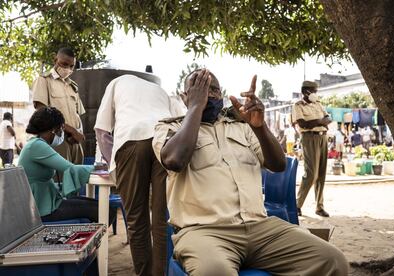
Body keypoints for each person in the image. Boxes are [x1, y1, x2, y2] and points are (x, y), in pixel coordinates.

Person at [152, 69, 348, 275]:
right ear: (185, 97)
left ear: (221, 94)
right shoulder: (170, 128)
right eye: (198, 89)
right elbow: (174, 160)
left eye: (213, 90)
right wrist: (195, 108)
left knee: (332, 261)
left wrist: (259, 126)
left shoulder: (242, 127)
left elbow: (278, 164)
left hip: (261, 228)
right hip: (204, 232)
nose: (208, 94)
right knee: (214, 272)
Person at [94, 74, 173, 276]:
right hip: (164, 140)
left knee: (137, 220)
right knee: (161, 218)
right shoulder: (160, 91)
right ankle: (160, 273)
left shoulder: (116, 83)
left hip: (131, 139)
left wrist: (114, 163)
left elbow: (102, 130)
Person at [18, 107, 115, 224]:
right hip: (42, 210)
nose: (62, 134)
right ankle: (98, 240)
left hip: (46, 203)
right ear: (53, 130)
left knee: (99, 205)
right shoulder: (37, 146)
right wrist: (98, 167)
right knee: (105, 210)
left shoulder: (35, 144)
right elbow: (70, 168)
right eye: (61, 130)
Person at [32, 47, 85, 165]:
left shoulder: (72, 86)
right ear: (55, 60)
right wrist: (71, 130)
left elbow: (77, 114)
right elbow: (43, 113)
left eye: (72, 66)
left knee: (76, 180)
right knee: (61, 181)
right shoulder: (43, 81)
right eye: (64, 64)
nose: (68, 69)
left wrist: (78, 132)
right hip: (57, 140)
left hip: (75, 141)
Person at [292, 81, 331, 217]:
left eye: (316, 91)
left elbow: (328, 117)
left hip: (323, 138)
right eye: (313, 91)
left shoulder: (318, 104)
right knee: (311, 174)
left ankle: (319, 207)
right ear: (305, 92)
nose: (315, 93)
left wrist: (319, 122)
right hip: (309, 138)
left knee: (321, 174)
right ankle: (296, 205)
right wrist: (320, 121)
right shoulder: (298, 106)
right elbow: (302, 123)